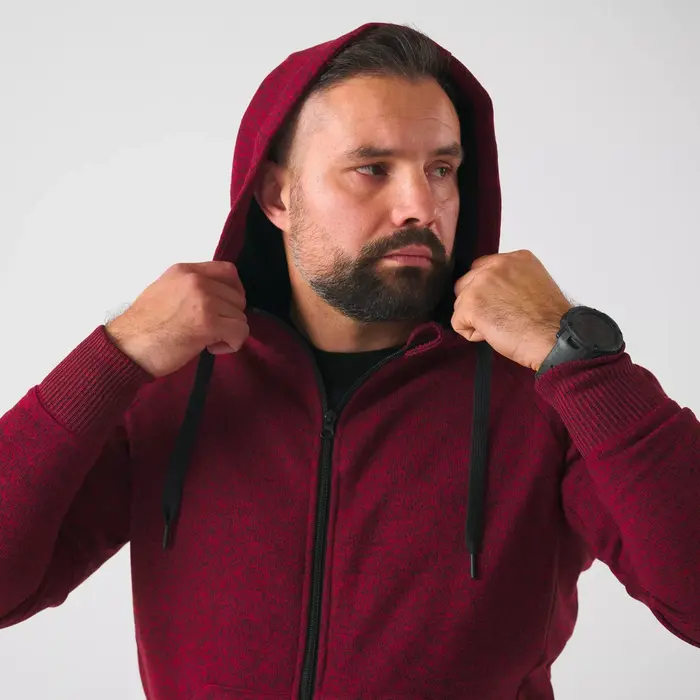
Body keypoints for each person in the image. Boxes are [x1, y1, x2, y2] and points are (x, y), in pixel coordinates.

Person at [0, 21, 698, 700]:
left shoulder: (545, 393)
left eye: (442, 169)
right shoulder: (175, 386)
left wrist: (579, 360)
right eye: (372, 169)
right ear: (277, 195)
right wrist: (114, 357)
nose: (421, 205)